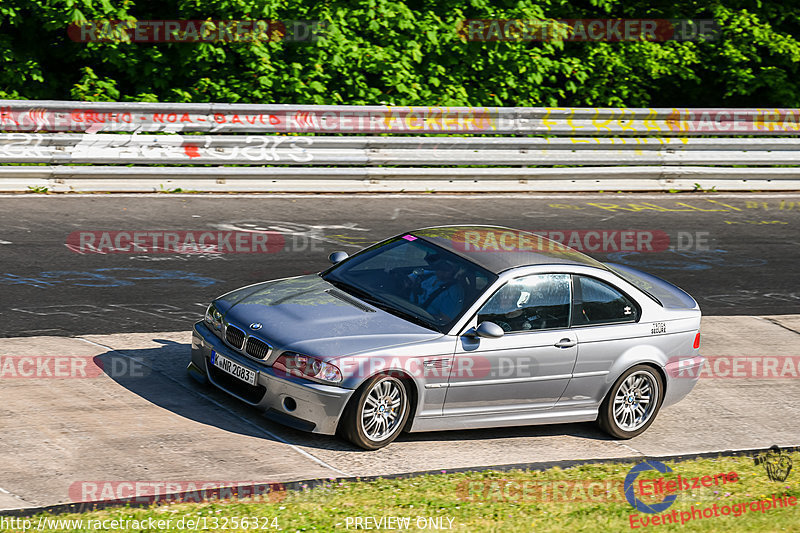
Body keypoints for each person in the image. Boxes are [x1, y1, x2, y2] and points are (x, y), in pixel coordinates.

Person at [409, 256, 465, 323]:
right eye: (440, 267)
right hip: (405, 308)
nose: (441, 271)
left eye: (446, 269)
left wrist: (423, 316)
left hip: (421, 321)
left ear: (455, 271)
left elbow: (446, 319)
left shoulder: (454, 292)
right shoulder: (429, 275)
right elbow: (410, 278)